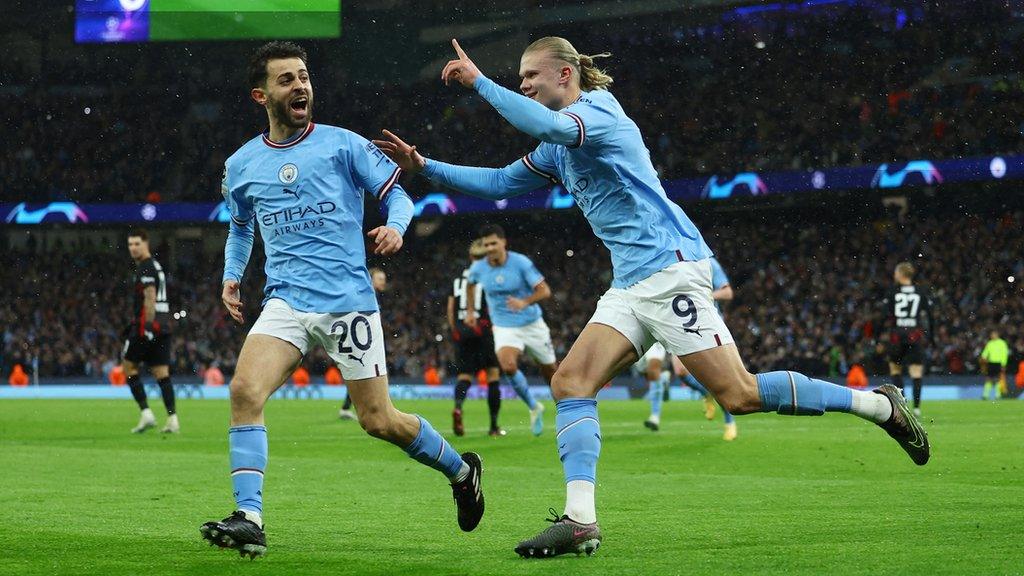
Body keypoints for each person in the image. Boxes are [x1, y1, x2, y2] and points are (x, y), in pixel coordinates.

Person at [374, 36, 929, 558]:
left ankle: (879, 405)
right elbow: (498, 184)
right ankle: (580, 520)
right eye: (516, 79)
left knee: (737, 394)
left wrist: (478, 83)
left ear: (565, 75)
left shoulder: (599, 112)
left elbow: (544, 121)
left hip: (669, 270)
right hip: (631, 283)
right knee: (571, 381)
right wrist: (425, 167)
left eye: (529, 76)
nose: (521, 85)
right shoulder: (557, 145)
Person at [199, 41, 484, 559]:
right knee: (244, 391)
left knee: (378, 421)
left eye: (304, 76)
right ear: (261, 95)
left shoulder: (342, 145)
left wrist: (396, 227)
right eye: (286, 80)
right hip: (284, 301)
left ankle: (462, 472)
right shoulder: (241, 165)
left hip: (347, 302)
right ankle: (250, 518)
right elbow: (240, 227)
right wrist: (231, 277)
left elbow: (397, 193)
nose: (300, 85)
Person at [464, 224, 556, 436]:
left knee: (551, 372)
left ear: (503, 242)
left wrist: (525, 302)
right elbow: (470, 285)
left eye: (494, 243)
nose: (490, 248)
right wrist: (470, 311)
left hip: (532, 324)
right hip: (504, 326)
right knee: (507, 365)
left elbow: (545, 291)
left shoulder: (521, 263)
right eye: (486, 244)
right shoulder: (478, 267)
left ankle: (567, 409)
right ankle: (534, 406)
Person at [664, 256, 738, 440]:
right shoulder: (669, 264)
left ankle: (730, 422)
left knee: (718, 377)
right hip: (679, 323)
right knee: (680, 371)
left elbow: (727, 293)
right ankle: (707, 393)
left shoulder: (707, 263)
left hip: (707, 324)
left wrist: (706, 296)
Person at [123, 229, 179, 434]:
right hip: (163, 325)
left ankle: (146, 413)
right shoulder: (156, 265)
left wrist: (147, 327)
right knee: (161, 372)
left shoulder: (146, 267)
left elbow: (150, 296)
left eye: (137, 243)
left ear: (146, 243)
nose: (133, 248)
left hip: (148, 325)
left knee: (128, 367)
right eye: (130, 244)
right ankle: (172, 418)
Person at [449, 239, 504, 436]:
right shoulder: (489, 275)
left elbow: (450, 307)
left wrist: (456, 330)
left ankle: (457, 406)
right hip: (484, 329)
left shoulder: (457, 279)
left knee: (464, 376)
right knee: (492, 375)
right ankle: (494, 426)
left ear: (470, 256)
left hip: (463, 330)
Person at [884, 262, 934, 416]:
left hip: (897, 336)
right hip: (914, 335)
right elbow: (930, 316)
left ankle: (903, 404)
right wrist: (931, 336)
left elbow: (885, 315)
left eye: (895, 273)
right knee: (916, 372)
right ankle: (917, 408)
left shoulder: (893, 291)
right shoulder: (920, 291)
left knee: (895, 369)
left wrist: (877, 335)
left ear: (900, 274)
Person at [340, 267, 387, 419]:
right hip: (359, 340)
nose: (383, 282)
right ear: (371, 280)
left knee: (361, 373)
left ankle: (348, 407)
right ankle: (374, 408)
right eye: (380, 279)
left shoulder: (373, 296)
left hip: (364, 340)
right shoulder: (364, 296)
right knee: (364, 373)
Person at [980, 330, 1010, 400]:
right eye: (991, 335)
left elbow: (1004, 354)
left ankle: (998, 395)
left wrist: (1003, 364)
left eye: (994, 334)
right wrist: (983, 357)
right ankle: (985, 395)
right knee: (988, 379)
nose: (992, 336)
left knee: (997, 379)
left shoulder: (1002, 343)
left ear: (997, 335)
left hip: (998, 363)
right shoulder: (989, 343)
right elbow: (985, 352)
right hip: (990, 363)